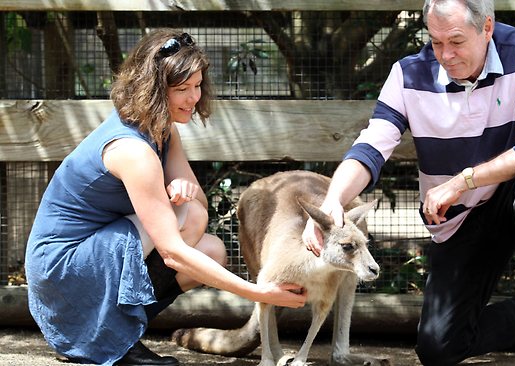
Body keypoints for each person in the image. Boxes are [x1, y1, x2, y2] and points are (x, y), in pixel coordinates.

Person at [302, 1, 515, 365]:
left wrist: (461, 182)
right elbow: (372, 146)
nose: (445, 55)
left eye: (456, 41)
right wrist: (333, 200)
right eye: (436, 42)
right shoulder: (407, 74)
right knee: (438, 348)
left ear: (487, 28)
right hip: (460, 218)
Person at [25, 29, 307, 366]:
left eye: (197, 85)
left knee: (211, 249)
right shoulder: (132, 150)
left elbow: (200, 207)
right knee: (182, 223)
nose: (193, 98)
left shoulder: (161, 129)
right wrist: (259, 293)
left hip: (99, 255)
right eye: (181, 89)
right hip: (62, 267)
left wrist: (185, 195)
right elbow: (172, 251)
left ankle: (104, 334)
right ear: (155, 90)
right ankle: (108, 341)